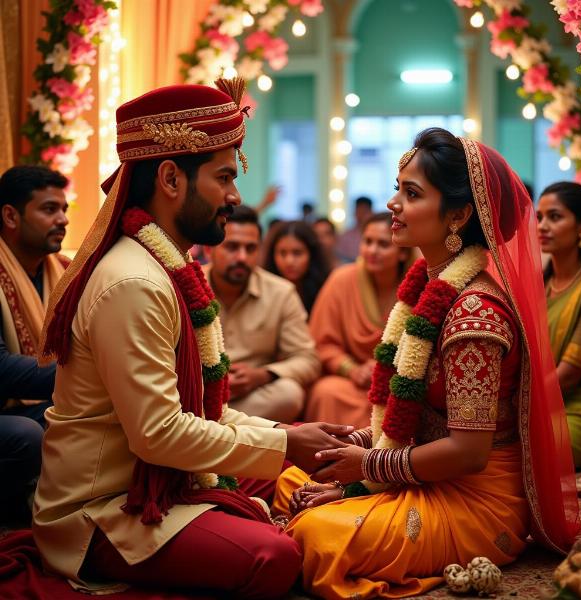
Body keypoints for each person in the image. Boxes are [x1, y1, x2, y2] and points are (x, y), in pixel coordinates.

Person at [32, 80, 353, 599]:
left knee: (289, 480)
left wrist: (289, 434)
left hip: (159, 479)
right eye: (224, 176)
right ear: (169, 178)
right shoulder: (134, 283)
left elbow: (198, 411)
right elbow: (158, 435)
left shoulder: (167, 264)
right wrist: (287, 442)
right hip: (106, 509)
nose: (235, 195)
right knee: (276, 555)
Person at [272, 128, 580, 599]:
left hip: (477, 496)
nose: (393, 203)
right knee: (293, 475)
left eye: (410, 193)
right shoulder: (427, 289)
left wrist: (369, 464)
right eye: (398, 188)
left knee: (316, 536)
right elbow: (413, 416)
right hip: (426, 470)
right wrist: (354, 445)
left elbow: (469, 453)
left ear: (457, 215)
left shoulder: (475, 315)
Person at [204, 205, 320, 422]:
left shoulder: (280, 292)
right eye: (232, 247)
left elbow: (308, 359)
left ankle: (212, 429)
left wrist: (262, 375)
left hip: (250, 396)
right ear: (209, 249)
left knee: (289, 394)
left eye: (250, 248)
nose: (242, 257)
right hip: (198, 394)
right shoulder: (186, 285)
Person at [0, 165, 70, 522]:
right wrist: (84, 376)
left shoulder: (69, 271)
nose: (63, 220)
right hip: (6, 408)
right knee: (28, 435)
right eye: (48, 209)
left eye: (64, 210)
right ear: (10, 216)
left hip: (46, 399)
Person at [305, 212, 411, 428]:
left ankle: (384, 460)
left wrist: (389, 370)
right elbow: (321, 343)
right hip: (352, 381)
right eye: (367, 242)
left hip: (399, 381)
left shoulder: (418, 284)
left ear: (402, 253)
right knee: (326, 391)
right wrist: (352, 370)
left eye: (383, 244)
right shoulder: (341, 279)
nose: (372, 251)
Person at [537, 181, 581, 468]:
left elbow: (569, 376)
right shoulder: (541, 286)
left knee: (526, 453)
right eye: (539, 217)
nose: (542, 226)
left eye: (555, 216)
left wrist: (516, 408)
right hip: (540, 404)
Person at [263, 220, 331, 315]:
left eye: (297, 253)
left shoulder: (326, 290)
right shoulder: (263, 291)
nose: (289, 261)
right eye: (283, 253)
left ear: (312, 255)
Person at [336, 196, 373, 262]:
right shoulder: (346, 236)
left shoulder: (375, 234)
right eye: (359, 211)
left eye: (364, 212)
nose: (361, 215)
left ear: (371, 212)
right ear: (355, 212)